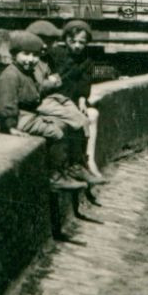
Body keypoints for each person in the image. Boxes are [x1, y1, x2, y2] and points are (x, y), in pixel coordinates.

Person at [0, 30, 86, 191]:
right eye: (26, 54)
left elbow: (35, 91)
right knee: (56, 133)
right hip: (19, 118)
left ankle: (64, 170)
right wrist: (10, 127)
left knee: (62, 124)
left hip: (28, 114)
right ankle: (54, 177)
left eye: (35, 55)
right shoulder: (10, 75)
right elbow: (7, 104)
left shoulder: (26, 72)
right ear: (14, 54)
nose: (31, 59)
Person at [60, 19, 103, 179]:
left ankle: (90, 160)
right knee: (76, 120)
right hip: (59, 100)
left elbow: (84, 84)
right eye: (73, 41)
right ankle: (75, 163)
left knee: (92, 115)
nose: (77, 46)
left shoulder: (87, 61)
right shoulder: (58, 57)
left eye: (81, 42)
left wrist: (82, 100)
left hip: (74, 100)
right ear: (65, 40)